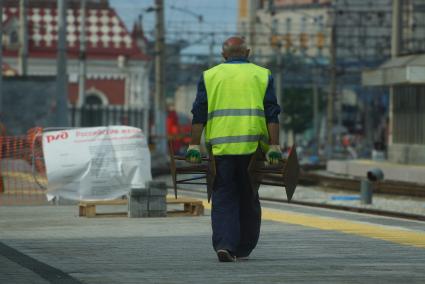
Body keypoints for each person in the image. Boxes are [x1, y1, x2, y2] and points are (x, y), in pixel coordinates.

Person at [185, 36, 282, 262]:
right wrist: (274, 146)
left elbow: (199, 113)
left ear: (223, 55)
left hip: (221, 148)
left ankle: (225, 245)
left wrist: (193, 145)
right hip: (253, 147)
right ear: (247, 53)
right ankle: (244, 248)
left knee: (224, 196)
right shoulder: (262, 74)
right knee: (248, 196)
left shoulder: (209, 76)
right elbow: (272, 113)